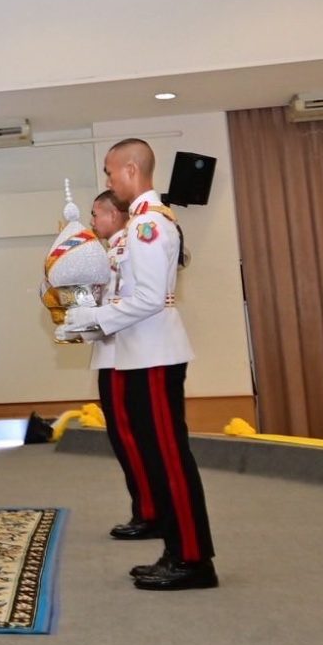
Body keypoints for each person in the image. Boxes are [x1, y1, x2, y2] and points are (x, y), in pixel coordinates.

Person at [67, 139, 217, 590]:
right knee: (156, 457)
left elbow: (150, 299)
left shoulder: (149, 223)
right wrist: (89, 321)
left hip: (154, 354)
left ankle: (193, 559)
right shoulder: (140, 222)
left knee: (169, 458)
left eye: (110, 171)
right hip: (140, 354)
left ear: (131, 170)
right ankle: (175, 550)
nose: (109, 180)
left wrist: (95, 318)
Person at [87, 190, 162, 541]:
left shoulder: (127, 247)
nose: (92, 221)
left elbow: (129, 301)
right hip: (113, 352)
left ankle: (149, 513)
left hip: (121, 355)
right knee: (123, 438)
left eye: (96, 214)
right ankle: (146, 508)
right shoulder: (110, 251)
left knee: (129, 437)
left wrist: (93, 319)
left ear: (114, 215)